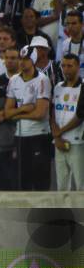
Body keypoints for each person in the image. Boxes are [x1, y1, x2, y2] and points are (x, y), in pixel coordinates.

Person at [5, 46, 52, 190]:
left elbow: (40, 114)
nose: (22, 62)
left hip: (39, 135)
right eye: (21, 59)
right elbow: (7, 113)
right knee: (22, 180)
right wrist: (24, 108)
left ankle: (43, 212)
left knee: (40, 180)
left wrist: (16, 114)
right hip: (20, 136)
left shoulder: (43, 80)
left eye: (26, 59)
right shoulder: (13, 80)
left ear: (33, 61)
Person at [51, 53, 84, 190]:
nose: (66, 69)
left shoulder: (83, 87)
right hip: (59, 143)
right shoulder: (58, 87)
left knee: (81, 185)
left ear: (78, 67)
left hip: (77, 143)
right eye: (63, 66)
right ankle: (63, 212)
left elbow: (80, 115)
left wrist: (60, 132)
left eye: (69, 66)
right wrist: (57, 136)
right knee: (62, 186)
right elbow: (52, 112)